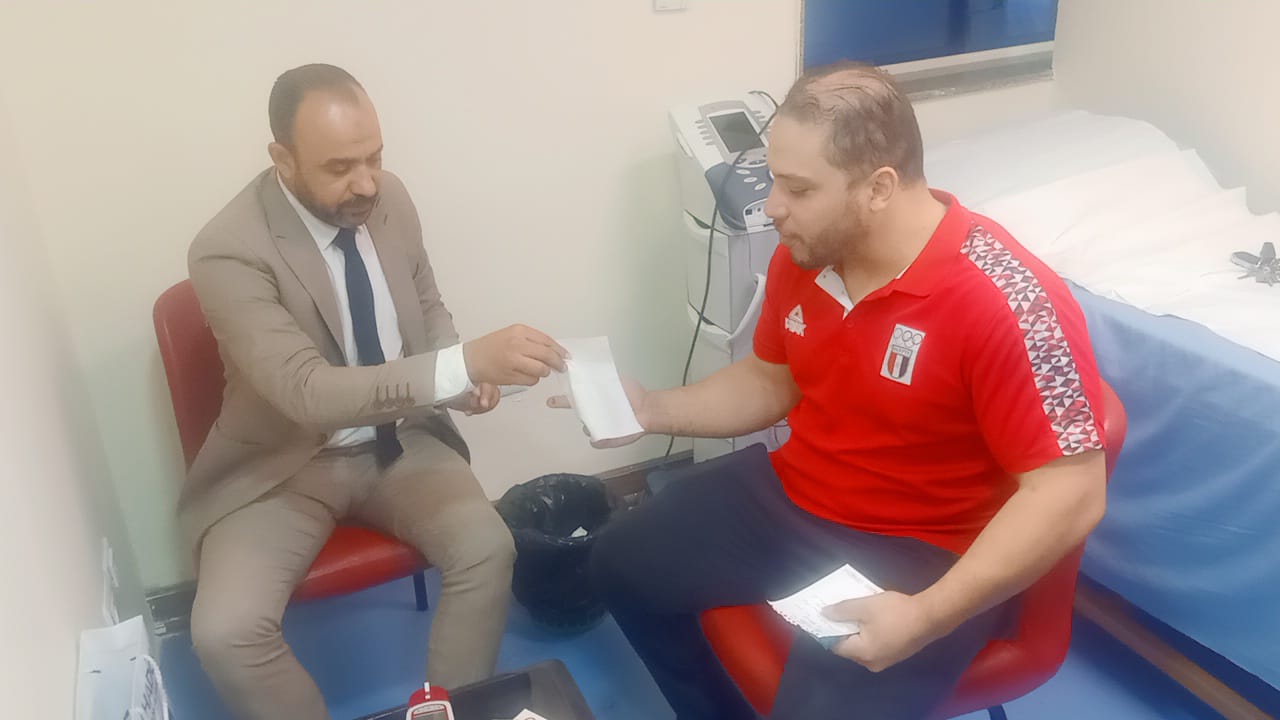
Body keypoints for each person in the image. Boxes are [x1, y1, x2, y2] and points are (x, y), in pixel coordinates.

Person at [552, 61, 1109, 719]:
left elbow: (1070, 492)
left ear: (878, 188)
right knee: (621, 560)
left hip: (929, 546)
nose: (772, 206)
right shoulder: (806, 252)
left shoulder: (1010, 302)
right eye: (773, 179)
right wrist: (652, 409)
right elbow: (769, 380)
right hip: (799, 496)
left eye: (797, 188)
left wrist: (926, 616)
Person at [183, 63, 568, 720]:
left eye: (375, 158)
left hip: (402, 440)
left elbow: (425, 302)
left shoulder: (389, 199)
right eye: (339, 167)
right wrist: (458, 364)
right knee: (225, 634)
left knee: (488, 548)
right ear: (282, 158)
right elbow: (306, 392)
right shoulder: (227, 250)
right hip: (285, 463)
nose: (366, 184)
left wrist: (459, 377)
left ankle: (448, 712)